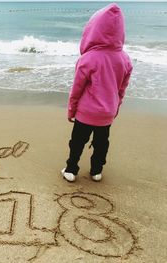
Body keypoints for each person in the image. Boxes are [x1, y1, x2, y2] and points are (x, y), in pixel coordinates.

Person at [61, 3, 133, 182]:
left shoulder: (88, 59)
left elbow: (77, 89)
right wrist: (116, 108)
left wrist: (72, 110)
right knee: (102, 143)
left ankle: (71, 169)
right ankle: (96, 171)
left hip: (86, 112)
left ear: (93, 30)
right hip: (107, 112)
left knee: (77, 142)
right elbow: (121, 89)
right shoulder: (125, 60)